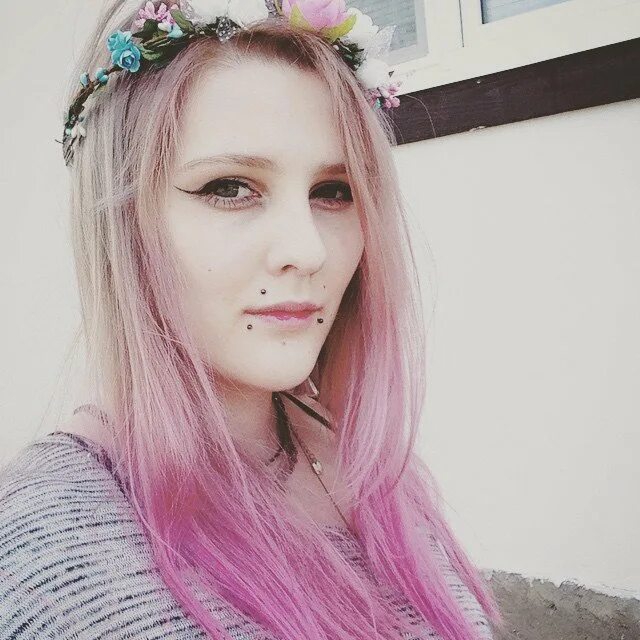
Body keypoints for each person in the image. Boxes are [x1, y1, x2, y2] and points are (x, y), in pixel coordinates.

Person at [0, 1, 505, 638]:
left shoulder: (364, 464)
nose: (308, 250)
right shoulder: (48, 549)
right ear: (119, 223)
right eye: (230, 187)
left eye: (334, 191)